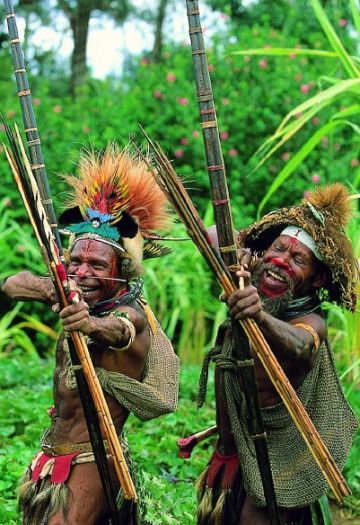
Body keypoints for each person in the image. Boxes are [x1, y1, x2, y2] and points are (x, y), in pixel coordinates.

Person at [2, 145, 180, 525]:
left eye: (97, 265)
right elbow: (12, 283)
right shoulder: (71, 290)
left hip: (93, 461)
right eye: (76, 263)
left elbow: (117, 331)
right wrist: (54, 288)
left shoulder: (130, 314)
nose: (83, 273)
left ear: (122, 271)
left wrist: (88, 324)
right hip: (52, 459)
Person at [196, 183, 358, 525]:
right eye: (278, 249)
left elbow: (300, 345)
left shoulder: (310, 321)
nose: (280, 262)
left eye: (298, 259)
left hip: (277, 464)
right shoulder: (248, 279)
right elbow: (208, 231)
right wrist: (238, 249)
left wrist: (258, 316)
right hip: (231, 455)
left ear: (316, 280)